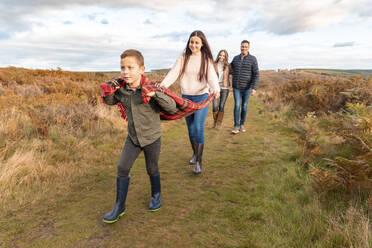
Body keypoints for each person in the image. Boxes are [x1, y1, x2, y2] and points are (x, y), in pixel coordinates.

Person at [100, 49, 177, 224]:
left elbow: (172, 107)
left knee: (152, 169)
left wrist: (155, 95)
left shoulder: (151, 88)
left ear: (142, 69)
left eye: (130, 67)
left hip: (152, 137)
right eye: (122, 68)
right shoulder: (122, 89)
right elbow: (110, 101)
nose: (125, 72)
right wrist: (109, 88)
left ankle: (156, 195)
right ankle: (119, 206)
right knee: (122, 168)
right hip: (133, 138)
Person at [160, 30, 220, 174]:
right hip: (185, 98)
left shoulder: (206, 60)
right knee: (190, 129)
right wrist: (162, 86)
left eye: (196, 42)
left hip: (201, 98)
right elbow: (173, 73)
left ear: (202, 44)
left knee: (198, 127)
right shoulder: (183, 57)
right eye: (191, 42)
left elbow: (211, 77)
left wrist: (216, 89)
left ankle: (199, 162)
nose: (193, 45)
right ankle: (195, 153)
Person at [230, 40, 259, 134]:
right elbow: (229, 69)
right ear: (240, 47)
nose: (244, 48)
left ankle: (242, 124)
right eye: (242, 46)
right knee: (237, 105)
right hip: (236, 88)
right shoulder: (235, 58)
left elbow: (256, 74)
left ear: (248, 48)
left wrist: (254, 88)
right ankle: (236, 126)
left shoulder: (253, 59)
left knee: (244, 106)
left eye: (246, 47)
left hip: (247, 88)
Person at [212, 50, 230, 129]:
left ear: (225, 57)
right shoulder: (214, 64)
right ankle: (215, 122)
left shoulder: (228, 66)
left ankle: (218, 124)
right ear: (218, 55)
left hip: (225, 88)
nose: (221, 57)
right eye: (220, 55)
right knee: (215, 106)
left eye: (223, 56)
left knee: (221, 106)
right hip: (216, 87)